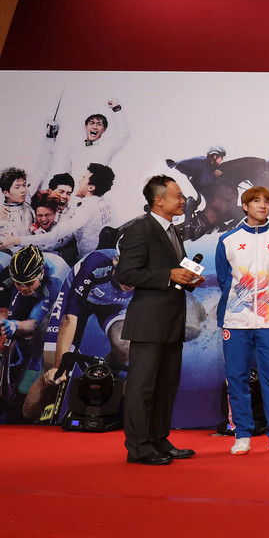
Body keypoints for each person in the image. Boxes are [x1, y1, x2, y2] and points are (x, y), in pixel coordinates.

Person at [116, 175, 204, 466]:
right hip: (149, 322)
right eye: (178, 197)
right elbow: (125, 274)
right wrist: (168, 275)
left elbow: (174, 271)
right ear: (159, 201)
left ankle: (159, 439)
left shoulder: (173, 231)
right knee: (143, 387)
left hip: (172, 322)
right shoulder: (140, 230)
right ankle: (139, 447)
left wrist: (188, 278)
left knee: (166, 386)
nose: (183, 201)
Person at [216, 185, 269, 456]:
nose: (263, 205)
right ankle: (242, 433)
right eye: (256, 201)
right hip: (235, 321)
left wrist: (266, 304)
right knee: (236, 378)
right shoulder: (228, 240)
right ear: (245, 206)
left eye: (268, 202)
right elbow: (225, 281)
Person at [21, 248, 134, 422]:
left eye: (135, 276)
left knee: (125, 348)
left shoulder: (153, 271)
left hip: (113, 304)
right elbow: (69, 318)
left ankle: (98, 383)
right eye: (125, 274)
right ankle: (28, 421)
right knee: (54, 371)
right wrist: (59, 366)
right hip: (78, 300)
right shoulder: (95, 265)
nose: (130, 282)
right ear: (115, 262)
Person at [2, 163, 115, 262]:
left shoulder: (84, 210)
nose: (80, 181)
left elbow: (54, 236)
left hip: (88, 260)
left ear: (91, 187)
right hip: (102, 257)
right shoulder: (105, 202)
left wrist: (17, 240)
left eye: (83, 178)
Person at [0, 246, 65, 415]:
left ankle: (35, 362)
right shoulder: (9, 274)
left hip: (50, 291)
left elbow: (34, 323)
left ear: (41, 274)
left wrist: (17, 325)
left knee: (42, 327)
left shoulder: (53, 281)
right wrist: (6, 324)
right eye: (18, 284)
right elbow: (3, 309)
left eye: (28, 283)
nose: (23, 288)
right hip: (31, 282)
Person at [60, 100, 129, 181]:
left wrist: (116, 109)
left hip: (96, 192)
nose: (95, 127)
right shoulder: (74, 151)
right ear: (85, 127)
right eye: (91, 123)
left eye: (99, 124)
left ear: (104, 130)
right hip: (75, 192)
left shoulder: (107, 146)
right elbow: (64, 177)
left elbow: (124, 134)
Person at [0, 167, 34, 242]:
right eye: (17, 187)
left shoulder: (28, 207)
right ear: (6, 193)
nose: (23, 190)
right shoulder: (3, 214)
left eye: (24, 185)